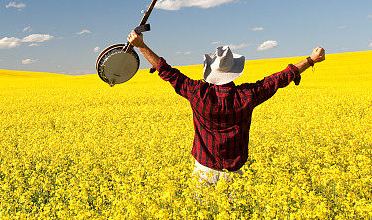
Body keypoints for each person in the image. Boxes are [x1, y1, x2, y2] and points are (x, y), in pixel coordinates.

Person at [127, 31, 325, 186]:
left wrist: (141, 46)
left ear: (210, 71)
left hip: (204, 170)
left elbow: (167, 71)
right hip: (234, 172)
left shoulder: (198, 93)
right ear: (234, 73)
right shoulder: (247, 95)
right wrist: (311, 60)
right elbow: (278, 79)